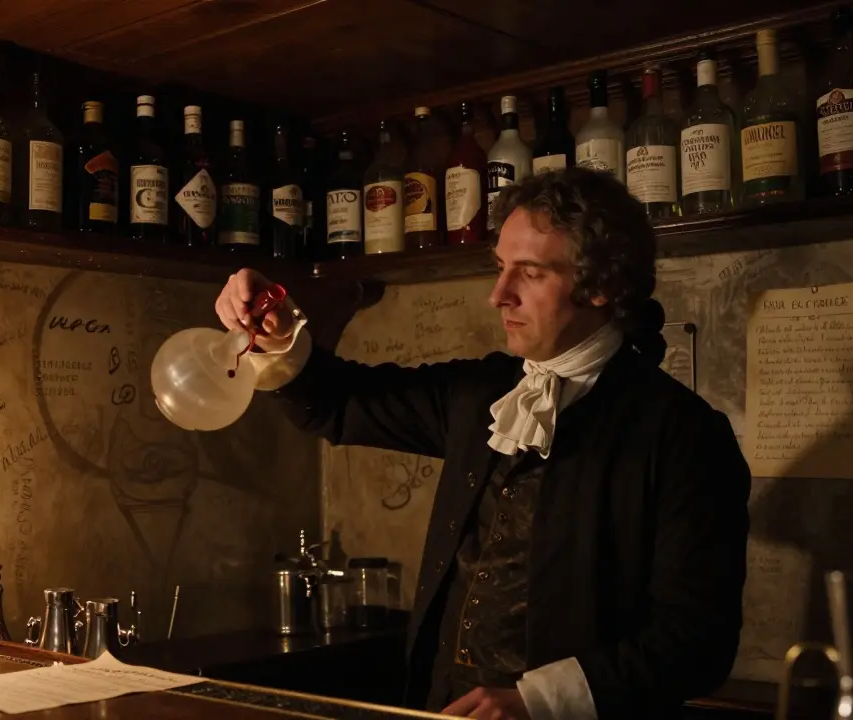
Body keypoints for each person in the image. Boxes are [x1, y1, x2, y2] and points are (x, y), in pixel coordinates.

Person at [215, 167, 751, 720]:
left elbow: (697, 642)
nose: (499, 296)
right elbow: (339, 404)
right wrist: (275, 326)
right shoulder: (483, 393)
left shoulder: (685, 436)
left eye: (530, 274)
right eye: (499, 268)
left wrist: (539, 702)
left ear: (602, 285)